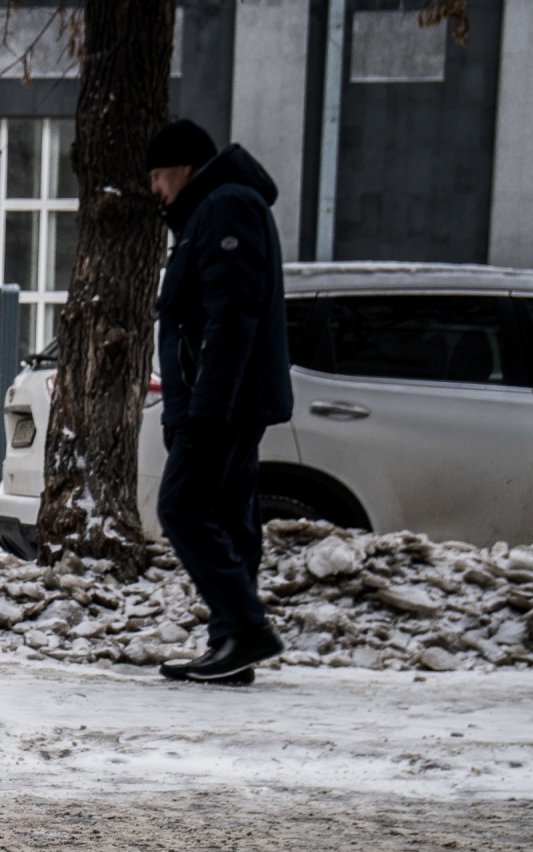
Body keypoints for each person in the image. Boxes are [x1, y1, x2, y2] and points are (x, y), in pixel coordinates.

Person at [146, 119, 294, 684]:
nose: (156, 189)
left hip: (224, 403)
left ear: (186, 167)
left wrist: (204, 410)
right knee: (230, 518)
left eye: (159, 175)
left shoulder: (225, 207)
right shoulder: (216, 209)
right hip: (228, 399)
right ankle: (233, 645)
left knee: (181, 508)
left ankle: (246, 627)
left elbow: (230, 318)